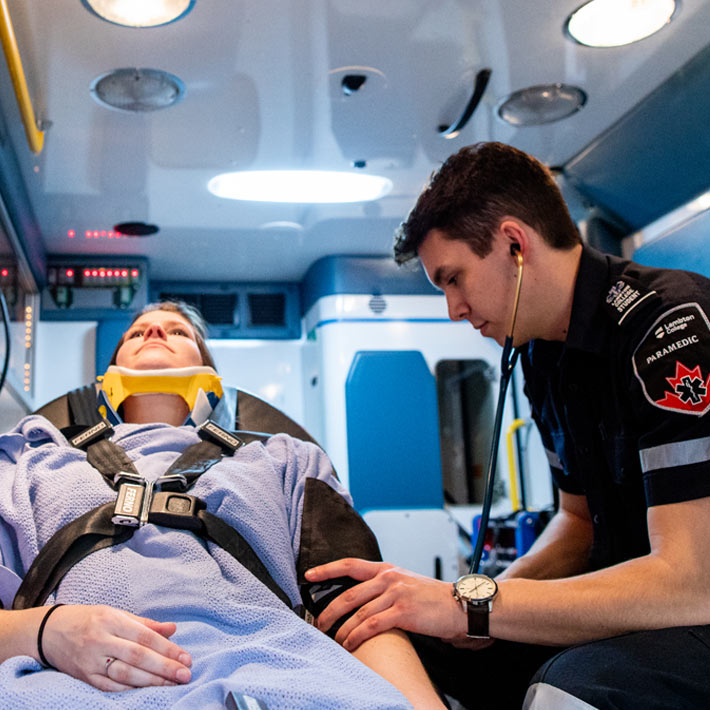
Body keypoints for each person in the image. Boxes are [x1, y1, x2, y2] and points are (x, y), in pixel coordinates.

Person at [305, 142, 710, 709]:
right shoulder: (543, 354)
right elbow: (577, 524)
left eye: (454, 279)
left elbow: (692, 582)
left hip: (691, 606)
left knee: (565, 690)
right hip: (633, 611)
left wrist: (473, 603)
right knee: (411, 642)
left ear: (515, 245)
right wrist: (471, 606)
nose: (454, 309)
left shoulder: (667, 327)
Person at [0, 301, 445, 710]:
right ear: (109, 374)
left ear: (208, 371)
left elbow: (358, 607)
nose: (153, 330)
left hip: (279, 677)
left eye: (177, 332)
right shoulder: (29, 455)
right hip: (58, 680)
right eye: (136, 334)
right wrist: (42, 632)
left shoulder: (285, 458)